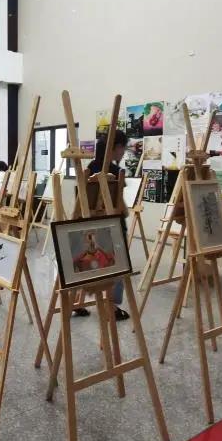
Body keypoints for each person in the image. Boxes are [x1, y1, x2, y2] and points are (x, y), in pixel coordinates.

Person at [75, 129, 130, 321]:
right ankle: (111, 307)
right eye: (123, 148)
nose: (124, 152)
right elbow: (121, 208)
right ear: (116, 147)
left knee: (88, 260)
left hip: (89, 225)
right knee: (116, 263)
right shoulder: (115, 173)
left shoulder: (90, 168)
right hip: (111, 226)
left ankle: (78, 301)